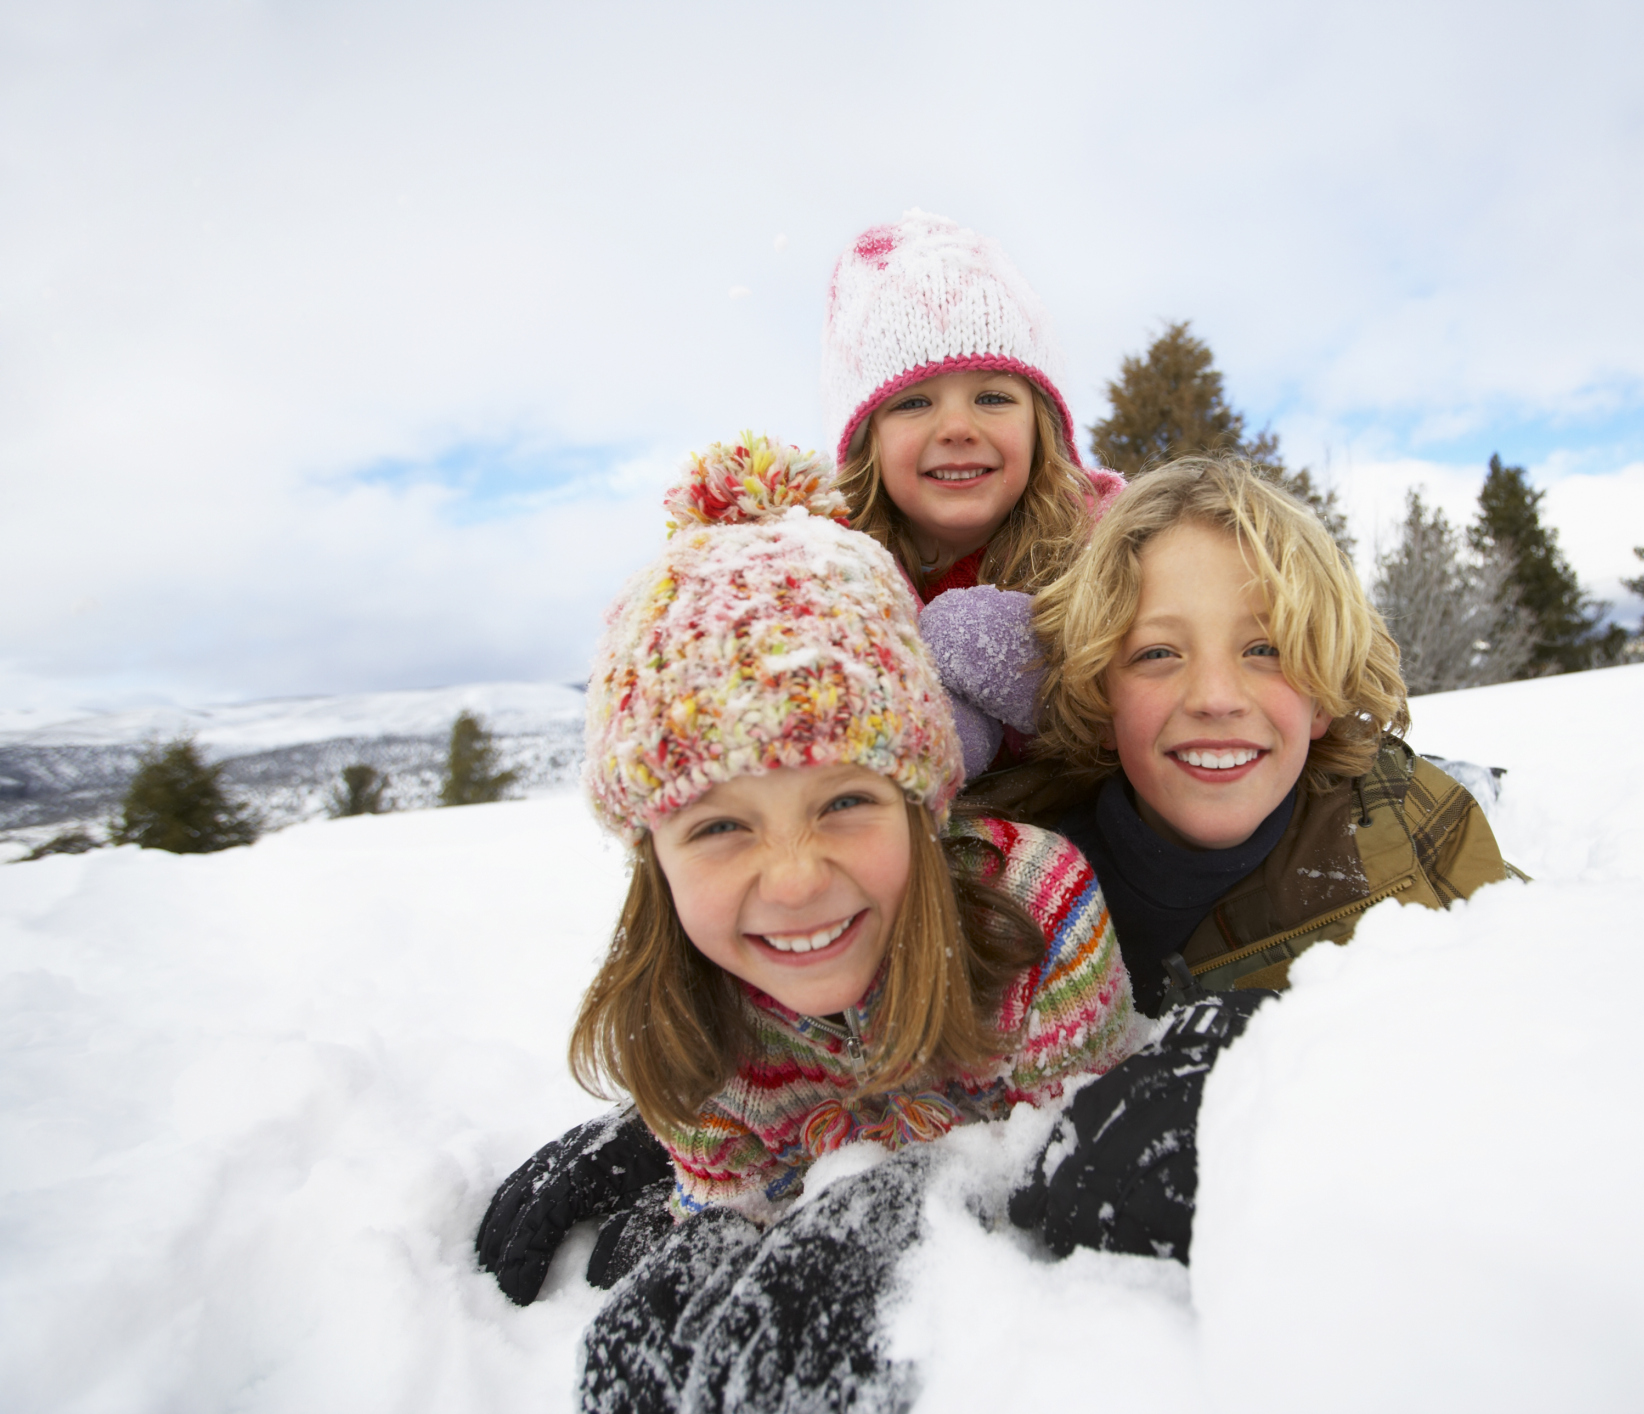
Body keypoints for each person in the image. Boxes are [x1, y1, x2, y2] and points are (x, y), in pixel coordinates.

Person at [473, 434, 1135, 1411]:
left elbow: (1083, 1176)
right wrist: (718, 1216)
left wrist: (916, 1203)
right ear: (651, 856)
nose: (792, 881)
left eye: (844, 804)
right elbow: (729, 1189)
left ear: (923, 801)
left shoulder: (1040, 916)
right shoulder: (686, 1022)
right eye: (721, 825)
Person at [984, 455, 1522, 1263]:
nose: (1215, 696)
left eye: (1264, 648)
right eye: (1157, 654)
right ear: (1097, 697)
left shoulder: (1406, 826)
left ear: (1324, 686)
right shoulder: (1009, 885)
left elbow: (1535, 1037)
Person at [822, 210, 1127, 775]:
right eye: (913, 403)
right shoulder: (830, 584)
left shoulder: (1115, 549)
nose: (957, 428)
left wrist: (1056, 680)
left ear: (1043, 426)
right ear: (867, 443)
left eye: (993, 398)